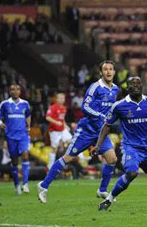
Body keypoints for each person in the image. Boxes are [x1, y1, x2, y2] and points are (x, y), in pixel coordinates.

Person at [93, 77, 147, 210]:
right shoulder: (119, 106)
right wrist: (98, 145)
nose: (135, 86)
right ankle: (108, 200)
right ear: (127, 88)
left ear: (142, 86)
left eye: (138, 83)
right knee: (131, 173)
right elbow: (107, 126)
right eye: (132, 84)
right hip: (131, 147)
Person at [37, 61, 119, 203]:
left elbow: (111, 109)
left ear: (114, 72)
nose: (108, 72)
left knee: (112, 159)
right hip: (86, 130)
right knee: (68, 158)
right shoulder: (95, 87)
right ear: (101, 72)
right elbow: (84, 107)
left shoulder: (115, 89)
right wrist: (100, 116)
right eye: (105, 69)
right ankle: (43, 186)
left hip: (101, 131)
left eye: (111, 69)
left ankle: (102, 190)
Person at [0, 84, 31, 194]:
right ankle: (16, 185)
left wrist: (28, 126)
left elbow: (28, 115)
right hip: (11, 136)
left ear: (20, 91)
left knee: (25, 155)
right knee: (14, 161)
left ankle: (25, 184)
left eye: (17, 89)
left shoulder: (25, 103)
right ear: (10, 92)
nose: (15, 91)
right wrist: (0, 123)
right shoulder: (5, 104)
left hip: (23, 135)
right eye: (12, 89)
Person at [45, 93, 72, 170]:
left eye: (63, 98)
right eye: (60, 98)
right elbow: (48, 117)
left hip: (62, 129)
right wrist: (56, 122)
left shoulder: (64, 108)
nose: (61, 100)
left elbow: (62, 119)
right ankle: (50, 166)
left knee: (72, 141)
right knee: (54, 148)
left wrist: (65, 125)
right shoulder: (52, 107)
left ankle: (80, 157)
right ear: (56, 99)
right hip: (54, 131)